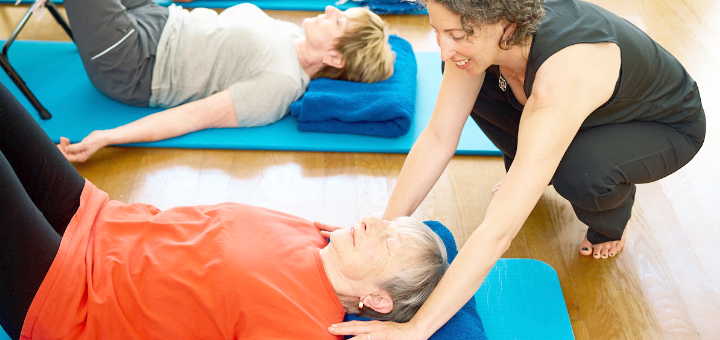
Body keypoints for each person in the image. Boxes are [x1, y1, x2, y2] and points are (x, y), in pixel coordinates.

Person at [324, 0, 706, 338]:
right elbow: (440, 137)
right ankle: (535, 163)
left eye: (455, 34)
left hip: (660, 125)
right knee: (482, 86)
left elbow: (499, 230)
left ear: (505, 24)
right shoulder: (479, 40)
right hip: (567, 108)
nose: (443, 47)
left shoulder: (566, 68)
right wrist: (383, 229)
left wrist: (418, 329)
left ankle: (610, 215)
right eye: (437, 32)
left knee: (578, 170)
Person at [0, 83, 446, 340]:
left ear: (378, 300)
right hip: (96, 220)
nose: (374, 222)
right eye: (390, 224)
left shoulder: (303, 327)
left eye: (389, 241)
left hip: (69, 300)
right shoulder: (314, 234)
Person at [53, 0, 395, 162]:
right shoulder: (292, 35)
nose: (332, 10)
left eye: (340, 22)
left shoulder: (279, 84)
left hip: (135, 61)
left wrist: (110, 136)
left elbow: (193, 116)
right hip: (156, 17)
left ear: (335, 59)